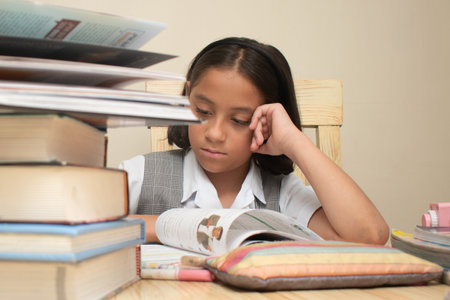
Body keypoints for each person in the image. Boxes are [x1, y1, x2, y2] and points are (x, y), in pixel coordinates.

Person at [120, 37, 389, 245]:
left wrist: (294, 141)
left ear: (267, 120)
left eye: (238, 120)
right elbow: (80, 225)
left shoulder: (282, 195)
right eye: (202, 111)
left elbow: (370, 236)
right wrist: (166, 225)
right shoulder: (141, 174)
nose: (214, 133)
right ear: (187, 97)